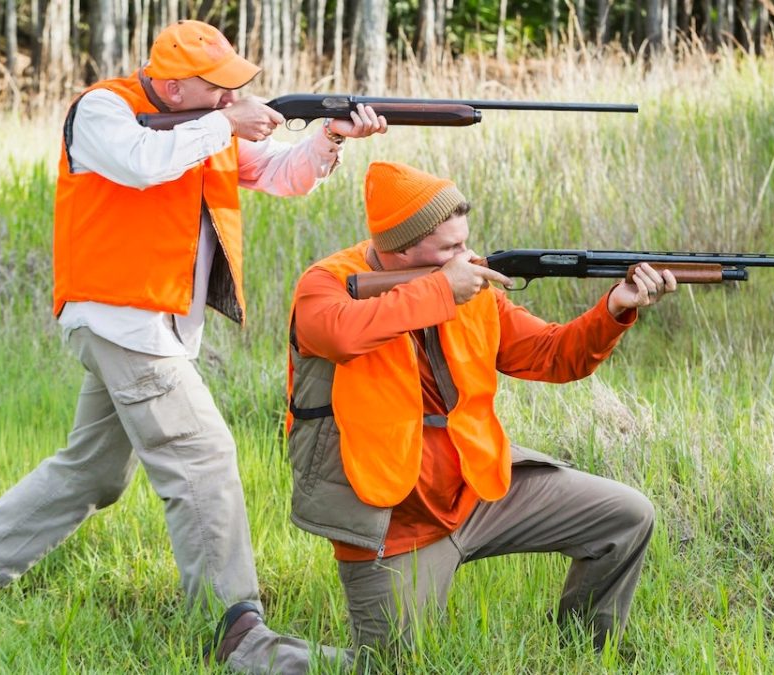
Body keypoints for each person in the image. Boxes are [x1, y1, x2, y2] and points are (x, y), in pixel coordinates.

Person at [0, 19, 385, 672]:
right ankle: (236, 634)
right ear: (171, 85)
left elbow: (281, 173)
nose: (229, 95)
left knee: (95, 470)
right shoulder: (102, 110)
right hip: (124, 324)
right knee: (203, 456)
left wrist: (329, 138)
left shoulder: (205, 124)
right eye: (216, 86)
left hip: (153, 327)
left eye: (232, 85)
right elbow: (141, 162)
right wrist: (225, 123)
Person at [284, 160, 671, 658]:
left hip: (478, 489)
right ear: (400, 250)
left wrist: (616, 307)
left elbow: (553, 355)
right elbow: (338, 334)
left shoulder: (470, 287)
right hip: (393, 522)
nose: (467, 257)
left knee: (627, 517)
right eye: (450, 249)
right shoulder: (327, 284)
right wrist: (440, 290)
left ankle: (582, 654)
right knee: (392, 668)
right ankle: (252, 646)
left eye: (465, 242)